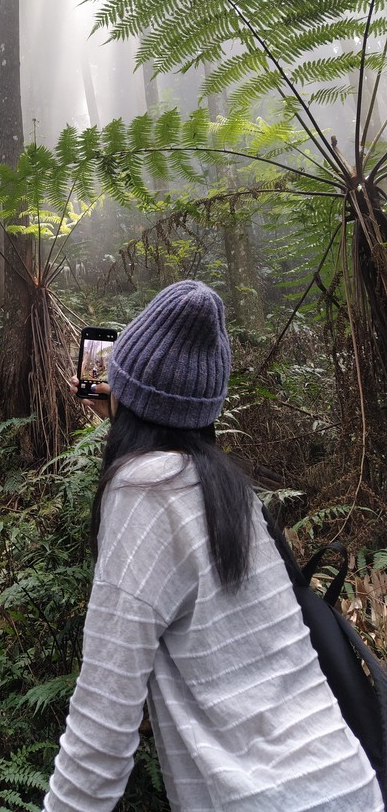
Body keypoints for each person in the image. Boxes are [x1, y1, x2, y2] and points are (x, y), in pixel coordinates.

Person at [43, 280, 383, 812]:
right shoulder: (232, 493)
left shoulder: (141, 495)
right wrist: (129, 408)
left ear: (123, 393)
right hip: (347, 783)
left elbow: (100, 731)